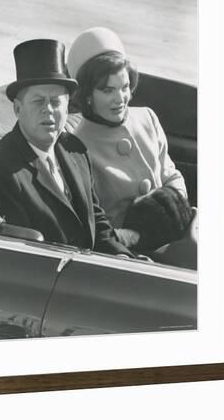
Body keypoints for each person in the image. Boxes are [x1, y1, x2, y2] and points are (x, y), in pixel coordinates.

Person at [0, 38, 137, 257]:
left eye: (56, 102)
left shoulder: (75, 150)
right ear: (17, 108)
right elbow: (20, 259)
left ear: (67, 106)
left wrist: (125, 259)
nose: (49, 110)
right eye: (38, 101)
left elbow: (99, 226)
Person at [67, 27, 197, 266]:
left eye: (125, 87)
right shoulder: (76, 147)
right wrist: (133, 236)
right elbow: (94, 224)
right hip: (133, 256)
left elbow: (172, 175)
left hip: (178, 231)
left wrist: (175, 208)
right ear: (86, 94)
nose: (120, 98)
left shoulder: (147, 117)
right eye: (108, 90)